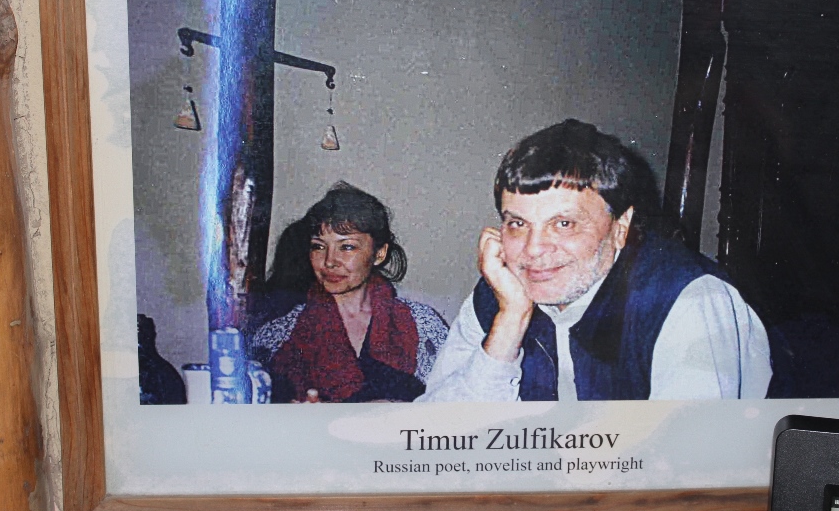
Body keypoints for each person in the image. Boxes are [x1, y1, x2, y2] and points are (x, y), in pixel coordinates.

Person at [417, 120, 771, 402]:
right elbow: (436, 438)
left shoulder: (686, 299)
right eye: (517, 224)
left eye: (564, 224)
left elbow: (692, 465)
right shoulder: (500, 292)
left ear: (620, 227)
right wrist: (511, 321)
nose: (533, 250)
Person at [251, 183, 448, 403]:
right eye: (318, 246)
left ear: (379, 254)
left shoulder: (422, 326)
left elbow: (455, 403)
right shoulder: (278, 332)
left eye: (347, 247)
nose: (329, 261)